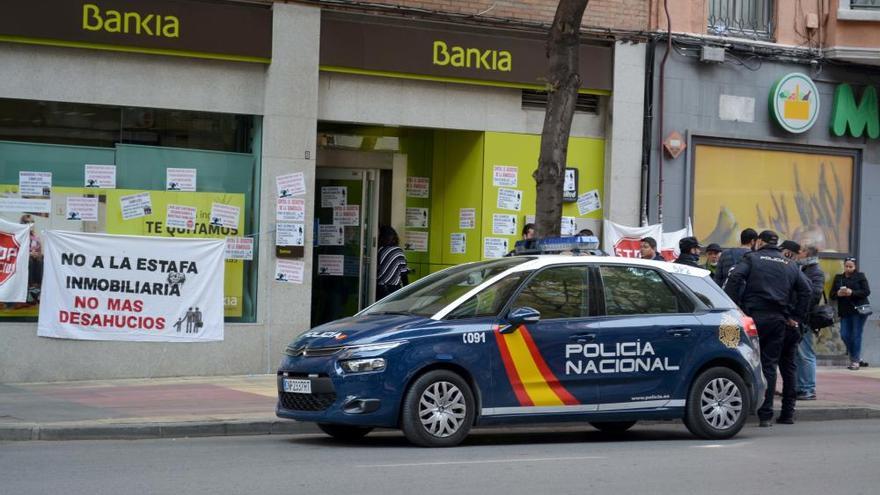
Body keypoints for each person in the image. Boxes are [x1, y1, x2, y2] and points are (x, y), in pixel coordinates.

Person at [724, 230, 811, 427]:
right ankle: (766, 415)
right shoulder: (789, 264)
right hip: (779, 320)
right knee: (771, 366)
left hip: (754, 317)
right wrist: (796, 317)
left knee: (747, 361)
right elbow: (807, 290)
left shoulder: (752, 258)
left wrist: (734, 306)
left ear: (760, 242)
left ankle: (756, 410)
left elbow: (735, 277)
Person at [830, 257, 872, 370]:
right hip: (845, 311)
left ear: (855, 267)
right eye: (846, 266)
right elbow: (832, 295)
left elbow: (866, 291)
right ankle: (857, 357)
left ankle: (855, 362)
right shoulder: (839, 278)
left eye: (851, 266)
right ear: (843, 265)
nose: (848, 268)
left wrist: (852, 292)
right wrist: (838, 293)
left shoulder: (860, 276)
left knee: (856, 335)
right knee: (844, 335)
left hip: (858, 310)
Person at [795, 244, 825, 400]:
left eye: (800, 252)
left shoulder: (815, 272)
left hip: (805, 318)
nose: (798, 255)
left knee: (805, 353)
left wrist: (799, 310)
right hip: (799, 317)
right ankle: (799, 387)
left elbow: (814, 294)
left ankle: (808, 389)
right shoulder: (804, 270)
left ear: (807, 254)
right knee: (797, 354)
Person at [377, 226, 409, 300]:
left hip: (380, 287)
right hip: (393, 288)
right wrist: (407, 289)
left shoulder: (380, 250)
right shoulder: (398, 251)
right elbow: (403, 273)